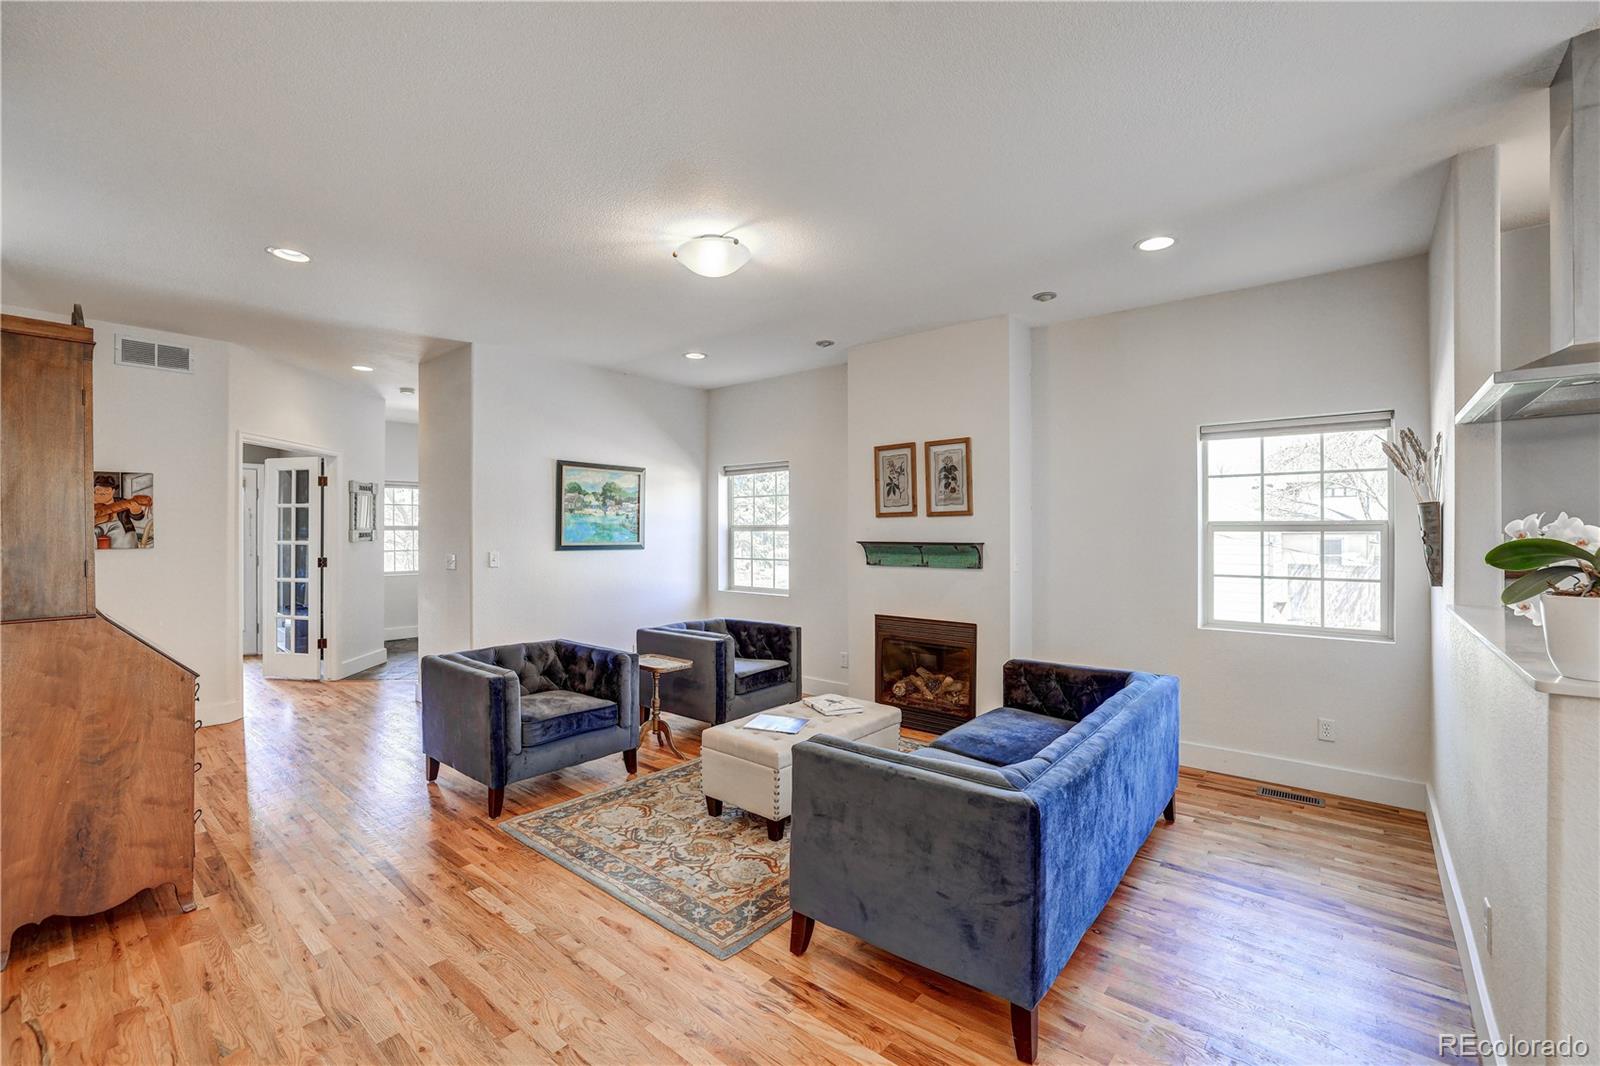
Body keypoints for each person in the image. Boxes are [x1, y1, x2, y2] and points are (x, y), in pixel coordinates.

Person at [93, 473, 154, 548]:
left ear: (113, 491)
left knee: (124, 540)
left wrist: (136, 511)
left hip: (121, 528)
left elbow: (138, 517)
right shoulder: (88, 504)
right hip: (96, 527)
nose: (102, 492)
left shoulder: (122, 502)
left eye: (107, 490)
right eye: (98, 489)